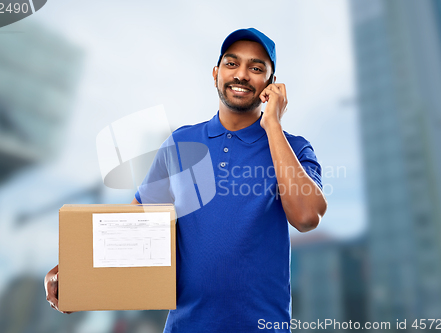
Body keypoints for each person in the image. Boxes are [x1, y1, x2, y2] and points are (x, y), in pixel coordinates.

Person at [45, 27, 327, 332]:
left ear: (271, 85)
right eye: (232, 64)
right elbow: (133, 228)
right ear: (216, 73)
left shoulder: (294, 148)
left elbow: (307, 217)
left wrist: (272, 124)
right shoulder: (180, 143)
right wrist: (75, 275)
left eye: (256, 68)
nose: (242, 74)